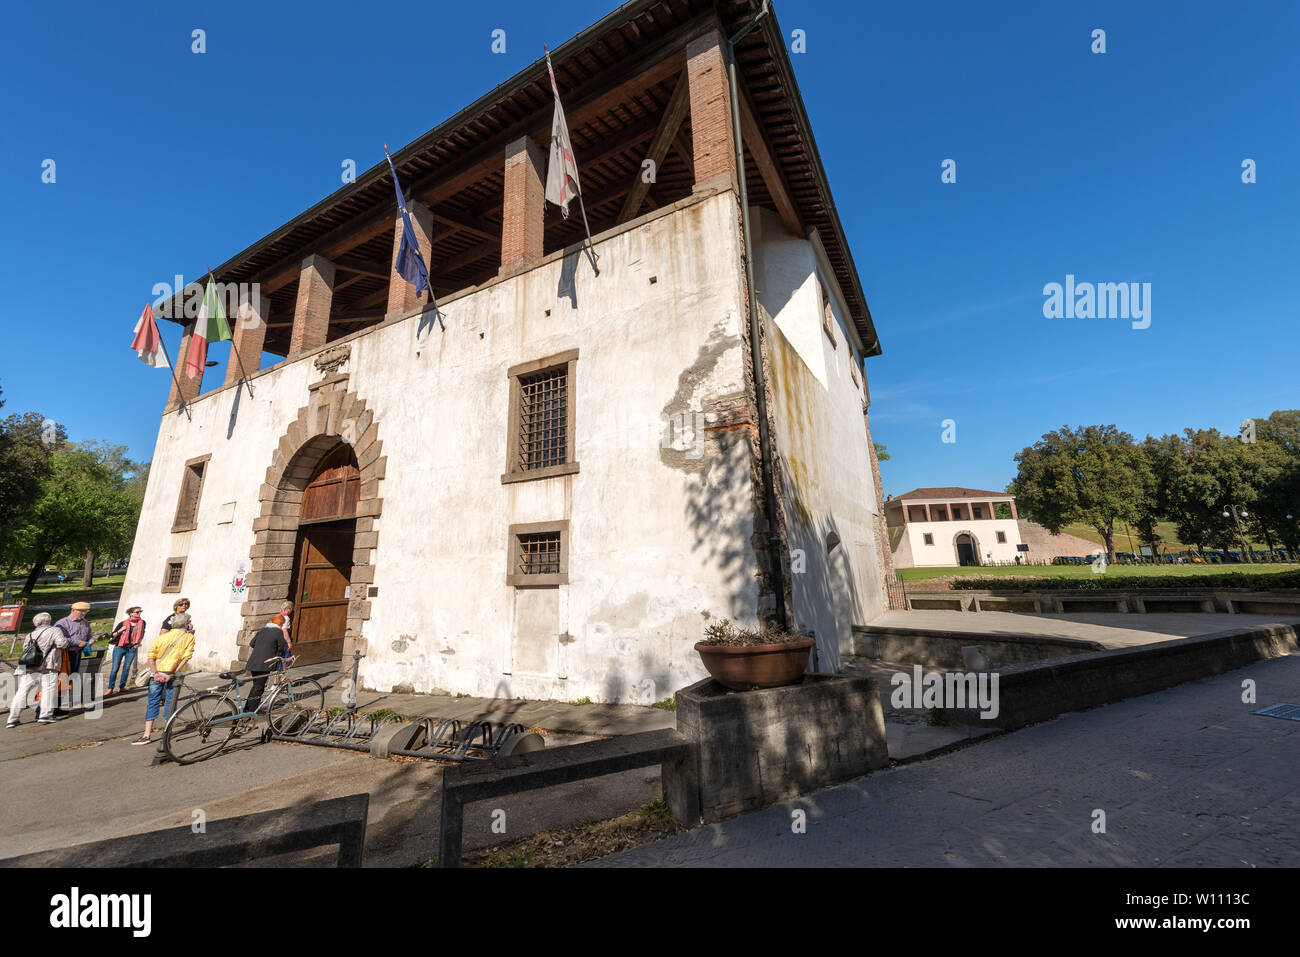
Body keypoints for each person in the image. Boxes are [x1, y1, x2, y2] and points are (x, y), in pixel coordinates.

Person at [131, 613, 195, 746]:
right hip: (175, 674)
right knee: (171, 702)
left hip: (158, 672)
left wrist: (155, 672)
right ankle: (167, 731)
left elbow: (151, 656)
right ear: (185, 624)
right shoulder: (189, 637)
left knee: (153, 701)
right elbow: (186, 657)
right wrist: (173, 673)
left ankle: (147, 734)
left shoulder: (162, 637)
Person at [7, 613, 68, 727]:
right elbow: (62, 643)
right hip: (48, 665)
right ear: (48, 620)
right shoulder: (55, 630)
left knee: (22, 691)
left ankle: (12, 718)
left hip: (30, 666)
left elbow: (25, 649)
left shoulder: (30, 634)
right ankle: (45, 715)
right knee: (48, 689)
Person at [243, 614, 289, 715]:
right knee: (259, 687)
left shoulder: (262, 630)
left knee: (256, 686)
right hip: (265, 664)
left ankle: (247, 709)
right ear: (280, 623)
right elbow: (281, 647)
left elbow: (252, 643)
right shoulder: (278, 632)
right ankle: (252, 712)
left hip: (254, 662)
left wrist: (261, 647)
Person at [105, 606, 146, 695]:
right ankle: (110, 688)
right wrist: (121, 630)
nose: (139, 613)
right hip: (120, 647)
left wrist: (138, 643)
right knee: (115, 668)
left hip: (132, 648)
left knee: (126, 668)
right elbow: (113, 635)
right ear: (131, 613)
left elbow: (142, 634)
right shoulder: (123, 623)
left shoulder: (142, 623)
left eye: (140, 612)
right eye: (137, 612)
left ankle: (122, 686)